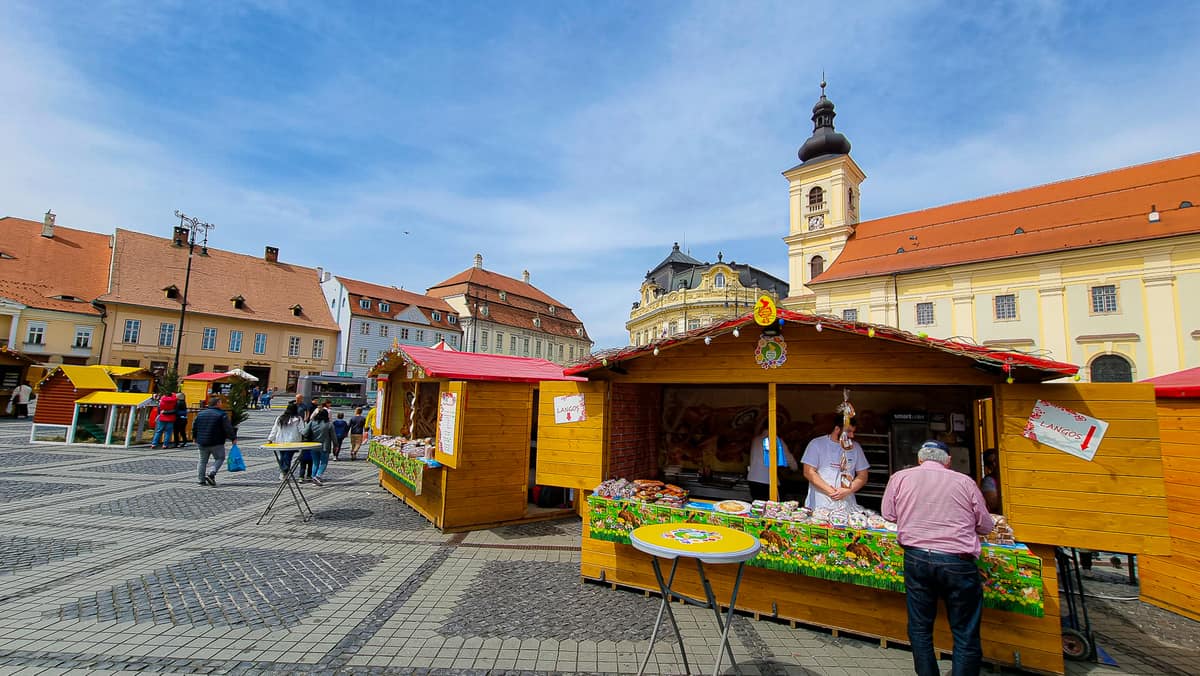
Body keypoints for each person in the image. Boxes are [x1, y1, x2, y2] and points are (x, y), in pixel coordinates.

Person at [882, 440, 994, 676]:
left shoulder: (900, 478)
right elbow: (985, 525)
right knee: (964, 630)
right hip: (958, 561)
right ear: (949, 461)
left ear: (920, 459)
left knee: (920, 627)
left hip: (916, 558)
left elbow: (889, 514)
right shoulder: (965, 482)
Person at [800, 415, 869, 510]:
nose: (852, 436)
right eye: (849, 432)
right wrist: (832, 492)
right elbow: (808, 472)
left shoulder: (855, 447)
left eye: (853, 432)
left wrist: (848, 490)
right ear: (837, 429)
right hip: (820, 504)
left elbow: (863, 475)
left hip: (847, 506)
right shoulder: (817, 444)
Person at [747, 417, 797, 501]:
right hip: (768, 481)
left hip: (752, 480)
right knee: (773, 508)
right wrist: (795, 468)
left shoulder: (756, 439)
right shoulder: (777, 440)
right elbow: (789, 460)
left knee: (758, 507)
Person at [192, 396, 237, 487]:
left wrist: (194, 437)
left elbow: (195, 426)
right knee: (220, 458)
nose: (221, 404)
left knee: (202, 461)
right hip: (216, 441)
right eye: (220, 402)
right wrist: (233, 438)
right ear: (217, 404)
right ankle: (212, 472)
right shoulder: (221, 414)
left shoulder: (201, 414)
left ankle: (201, 480)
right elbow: (227, 428)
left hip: (202, 441)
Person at [267, 402, 306, 480]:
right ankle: (284, 471)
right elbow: (302, 430)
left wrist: (270, 439)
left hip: (280, 441)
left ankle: (283, 471)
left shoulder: (280, 418)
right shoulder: (298, 419)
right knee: (288, 457)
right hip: (292, 442)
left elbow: (274, 429)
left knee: (282, 456)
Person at [303, 408, 336, 486]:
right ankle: (318, 476)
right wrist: (336, 445)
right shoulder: (329, 424)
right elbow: (333, 436)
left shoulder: (312, 422)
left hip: (313, 445)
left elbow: (305, 432)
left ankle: (313, 477)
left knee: (315, 462)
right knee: (324, 462)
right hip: (325, 446)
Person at [979, 449, 1001, 514]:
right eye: (990, 463)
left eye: (995, 460)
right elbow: (994, 504)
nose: (994, 464)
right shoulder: (988, 481)